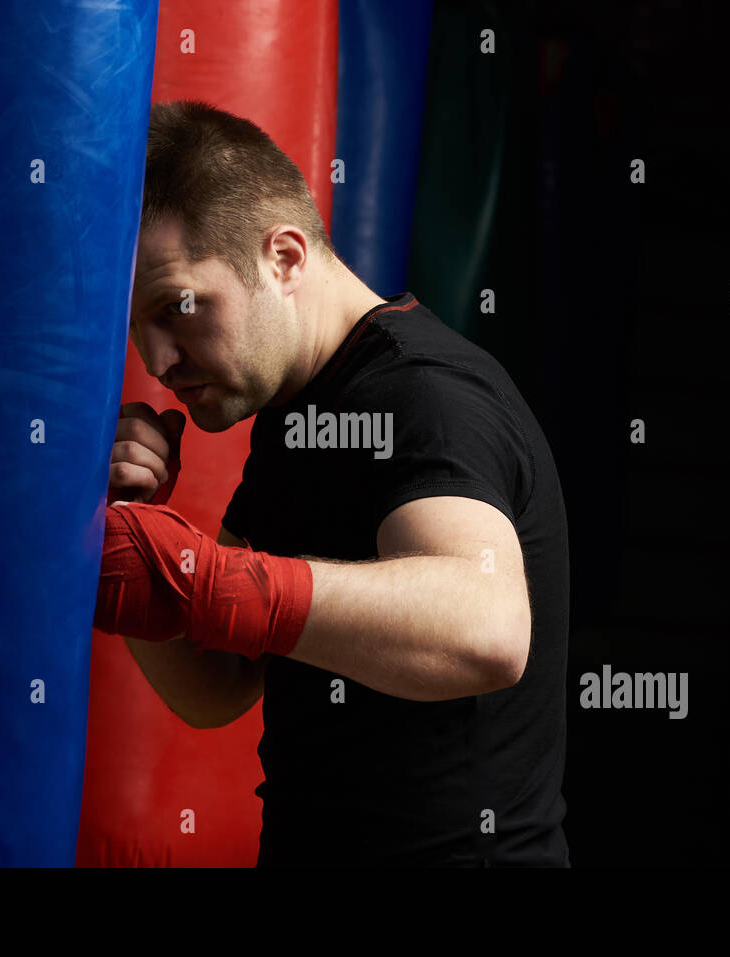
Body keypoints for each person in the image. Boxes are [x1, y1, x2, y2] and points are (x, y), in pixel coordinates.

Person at [96, 100, 571, 867]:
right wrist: (130, 542)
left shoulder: (423, 396)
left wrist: (213, 582)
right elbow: (219, 686)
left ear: (283, 257)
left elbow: (488, 629)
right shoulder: (299, 414)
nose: (155, 359)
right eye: (135, 325)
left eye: (177, 307)